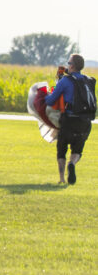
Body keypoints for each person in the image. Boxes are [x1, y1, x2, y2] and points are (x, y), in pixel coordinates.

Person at [44, 53, 97, 185]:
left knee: (61, 149)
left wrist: (43, 96)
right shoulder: (88, 80)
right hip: (85, 122)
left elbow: (50, 101)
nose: (67, 65)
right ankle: (72, 163)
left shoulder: (65, 81)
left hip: (69, 120)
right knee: (77, 150)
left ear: (72, 66)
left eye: (69, 63)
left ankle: (62, 178)